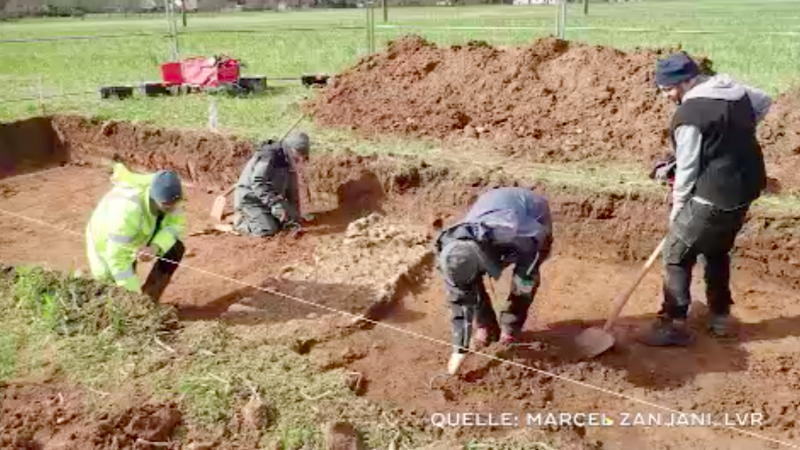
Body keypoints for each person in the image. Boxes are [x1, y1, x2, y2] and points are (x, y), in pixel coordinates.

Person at [641, 51, 772, 346]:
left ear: (686, 81)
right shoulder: (733, 90)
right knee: (715, 250)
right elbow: (764, 101)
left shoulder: (689, 116)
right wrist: (734, 139)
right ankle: (721, 317)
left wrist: (677, 209)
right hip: (745, 187)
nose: (665, 96)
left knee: (676, 253)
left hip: (712, 195)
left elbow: (686, 170)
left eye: (667, 89)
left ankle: (673, 324)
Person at [434, 187, 553, 371]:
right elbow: (459, 299)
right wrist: (459, 348)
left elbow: (538, 241)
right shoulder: (451, 257)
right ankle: (486, 326)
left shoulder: (510, 231)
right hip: (492, 213)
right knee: (468, 283)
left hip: (531, 219)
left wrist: (526, 273)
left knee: (524, 282)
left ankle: (510, 328)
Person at [86, 162, 186, 302]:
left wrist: (155, 247)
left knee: (174, 248)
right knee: (109, 290)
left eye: (174, 205)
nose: (173, 209)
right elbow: (118, 259)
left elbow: (174, 225)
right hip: (107, 244)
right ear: (154, 198)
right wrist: (135, 301)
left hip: (141, 233)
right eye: (167, 206)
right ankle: (138, 303)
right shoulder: (128, 211)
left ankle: (150, 301)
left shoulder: (173, 193)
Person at [233, 132, 310, 237]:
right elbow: (258, 182)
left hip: (269, 197)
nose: (299, 160)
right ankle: (241, 222)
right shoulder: (269, 156)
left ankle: (267, 216)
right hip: (251, 198)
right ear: (291, 149)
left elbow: (292, 191)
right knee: (267, 230)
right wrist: (274, 204)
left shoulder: (290, 159)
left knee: (286, 222)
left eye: (302, 157)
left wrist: (295, 217)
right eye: (298, 156)